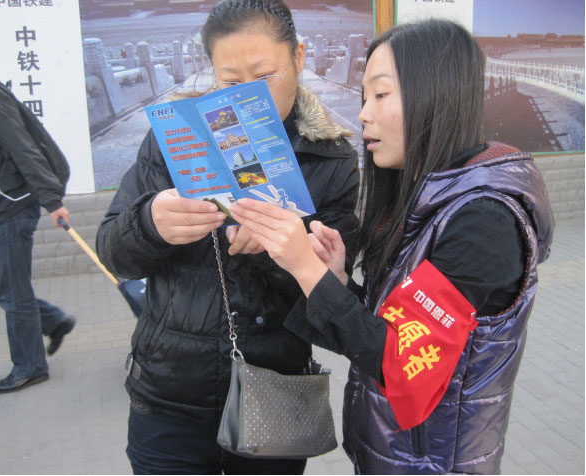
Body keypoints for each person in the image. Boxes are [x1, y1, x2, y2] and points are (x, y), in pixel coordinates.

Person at [230, 19, 555, 474]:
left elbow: (402, 366)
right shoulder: (427, 199)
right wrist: (335, 280)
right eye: (365, 96)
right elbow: (392, 334)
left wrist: (306, 268)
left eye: (381, 95)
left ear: (436, 96)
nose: (364, 113)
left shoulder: (482, 221)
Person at [95, 0, 359, 474]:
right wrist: (150, 223)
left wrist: (283, 249)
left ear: (298, 57)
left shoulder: (332, 159)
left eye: (265, 77)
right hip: (169, 396)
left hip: (273, 392)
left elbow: (330, 306)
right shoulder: (172, 139)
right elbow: (114, 253)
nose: (247, 97)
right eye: (230, 82)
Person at [0, 26, 76, 394]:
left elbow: (23, 146)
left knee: (13, 289)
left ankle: (29, 366)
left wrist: (52, 200)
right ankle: (52, 321)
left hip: (10, 204)